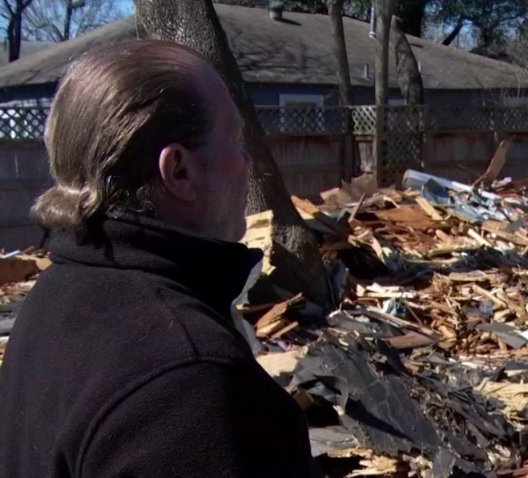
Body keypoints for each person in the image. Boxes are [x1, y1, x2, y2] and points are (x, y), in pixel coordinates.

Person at [0, 40, 322, 477]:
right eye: (235, 140)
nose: (248, 163)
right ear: (180, 171)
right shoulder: (189, 386)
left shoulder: (56, 295)